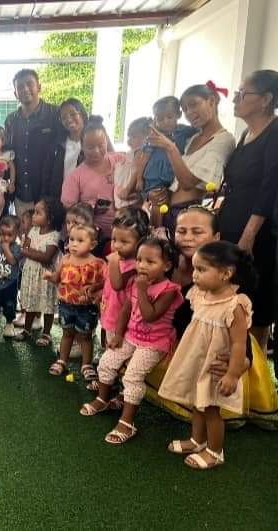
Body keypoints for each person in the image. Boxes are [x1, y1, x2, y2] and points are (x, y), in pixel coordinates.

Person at [159, 242, 255, 469]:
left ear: (226, 274)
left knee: (211, 408)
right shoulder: (199, 295)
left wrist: (232, 374)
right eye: (195, 269)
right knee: (197, 402)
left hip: (214, 367)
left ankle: (215, 451)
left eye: (201, 269)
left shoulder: (235, 305)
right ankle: (197, 440)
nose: (194, 275)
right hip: (197, 361)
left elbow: (239, 344)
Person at [81, 238, 183, 445]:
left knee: (132, 377)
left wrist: (143, 290)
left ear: (167, 266)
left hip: (155, 343)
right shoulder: (137, 282)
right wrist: (119, 334)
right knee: (106, 362)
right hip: (131, 336)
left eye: (150, 262)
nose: (142, 266)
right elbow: (126, 309)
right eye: (139, 260)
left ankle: (127, 422)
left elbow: (149, 316)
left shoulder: (170, 290)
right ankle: (102, 399)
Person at [218, 70, 278, 352]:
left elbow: (270, 187)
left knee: (255, 302)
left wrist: (249, 234)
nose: (235, 100)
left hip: (257, 234)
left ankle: (254, 367)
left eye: (243, 94)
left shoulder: (274, 133)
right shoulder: (245, 133)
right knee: (232, 297)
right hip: (232, 224)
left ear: (265, 99)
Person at [146, 82, 235, 235]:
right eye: (185, 109)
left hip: (188, 214)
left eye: (193, 105)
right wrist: (154, 194)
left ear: (212, 101)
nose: (189, 113)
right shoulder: (192, 138)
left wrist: (170, 147)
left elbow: (187, 183)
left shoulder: (224, 139)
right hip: (166, 210)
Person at [43, 224, 103, 380]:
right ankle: (62, 360)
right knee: (67, 333)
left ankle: (86, 364)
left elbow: (104, 284)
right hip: (66, 305)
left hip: (87, 308)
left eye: (80, 240)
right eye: (71, 239)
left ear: (92, 244)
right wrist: (50, 276)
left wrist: (94, 292)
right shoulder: (65, 259)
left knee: (86, 336)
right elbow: (57, 278)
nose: (74, 244)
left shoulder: (97, 263)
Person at [61, 116, 124, 250]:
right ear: (82, 146)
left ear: (106, 141)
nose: (96, 151)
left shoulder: (121, 161)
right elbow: (70, 210)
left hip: (125, 236)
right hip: (94, 240)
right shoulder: (75, 176)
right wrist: (90, 209)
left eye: (100, 145)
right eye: (90, 147)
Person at [5, 69, 61, 216]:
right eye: (20, 87)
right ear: (15, 94)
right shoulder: (11, 120)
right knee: (22, 230)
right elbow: (7, 154)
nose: (25, 89)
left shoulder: (55, 114)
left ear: (39, 87)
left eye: (29, 84)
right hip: (19, 195)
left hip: (47, 195)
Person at [97, 208, 150, 356]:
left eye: (124, 242)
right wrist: (98, 288)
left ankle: (109, 363)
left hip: (120, 319)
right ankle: (105, 355)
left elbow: (117, 284)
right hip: (108, 309)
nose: (117, 246)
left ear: (141, 242)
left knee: (116, 348)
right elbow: (108, 281)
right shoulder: (119, 259)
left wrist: (113, 261)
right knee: (107, 338)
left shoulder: (135, 266)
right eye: (114, 240)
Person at [17, 198, 64, 345]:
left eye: (38, 213)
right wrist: (32, 252)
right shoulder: (33, 230)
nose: (33, 216)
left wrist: (29, 252)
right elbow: (25, 248)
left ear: (50, 219)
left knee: (47, 304)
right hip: (31, 274)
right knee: (31, 302)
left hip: (45, 277)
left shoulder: (54, 235)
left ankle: (46, 333)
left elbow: (46, 257)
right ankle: (27, 329)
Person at [139, 97, 198, 207]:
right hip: (154, 178)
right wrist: (139, 179)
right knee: (157, 203)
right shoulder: (154, 136)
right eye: (160, 119)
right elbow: (143, 158)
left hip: (173, 178)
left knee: (169, 203)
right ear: (155, 119)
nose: (165, 121)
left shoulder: (185, 131)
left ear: (179, 114)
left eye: (170, 117)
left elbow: (202, 130)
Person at [43, 98, 88, 202]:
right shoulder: (57, 143)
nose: (68, 120)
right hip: (60, 200)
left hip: (84, 203)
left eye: (73, 114)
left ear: (82, 114)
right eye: (64, 117)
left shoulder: (93, 141)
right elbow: (47, 174)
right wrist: (45, 199)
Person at [0, 215, 23, 338]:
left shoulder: (17, 248)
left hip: (9, 284)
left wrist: (6, 249)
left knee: (9, 305)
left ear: (16, 234)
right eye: (2, 234)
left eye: (9, 235)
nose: (5, 238)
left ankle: (9, 324)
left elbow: (12, 261)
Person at [114, 117, 151, 209]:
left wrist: (127, 189)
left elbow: (137, 171)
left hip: (129, 192)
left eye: (133, 137)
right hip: (123, 193)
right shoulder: (131, 152)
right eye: (129, 136)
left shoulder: (140, 151)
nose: (129, 140)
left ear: (146, 138)